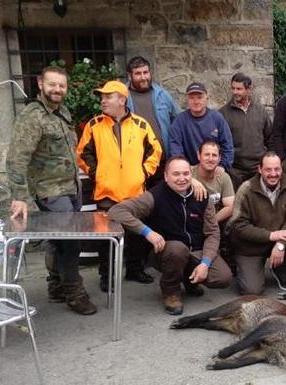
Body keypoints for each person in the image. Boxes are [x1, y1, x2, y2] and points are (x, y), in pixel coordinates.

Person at [6, 66, 97, 315]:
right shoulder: (32, 117)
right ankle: (74, 293)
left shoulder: (62, 113)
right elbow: (16, 159)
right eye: (52, 84)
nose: (57, 89)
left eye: (61, 86)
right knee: (71, 242)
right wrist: (19, 197)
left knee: (58, 241)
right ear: (40, 84)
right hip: (50, 191)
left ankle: (55, 285)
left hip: (70, 188)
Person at [108, 156, 233, 315]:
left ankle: (189, 281)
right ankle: (171, 291)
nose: (182, 178)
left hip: (195, 251)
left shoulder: (202, 196)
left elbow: (213, 233)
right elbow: (116, 211)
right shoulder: (155, 196)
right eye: (176, 174)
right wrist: (148, 232)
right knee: (177, 249)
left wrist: (205, 263)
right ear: (166, 176)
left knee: (223, 277)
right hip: (166, 252)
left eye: (186, 173)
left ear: (191, 175)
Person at [76, 80, 162, 291]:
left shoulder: (141, 125)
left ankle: (135, 270)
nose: (103, 100)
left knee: (135, 235)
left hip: (134, 192)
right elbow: (82, 154)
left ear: (122, 100)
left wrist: (143, 173)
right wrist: (98, 174)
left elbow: (155, 151)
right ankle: (107, 275)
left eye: (108, 96)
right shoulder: (94, 125)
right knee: (107, 237)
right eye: (102, 97)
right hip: (107, 192)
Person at [229, 152, 286, 294]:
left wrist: (280, 245)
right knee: (251, 290)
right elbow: (239, 226)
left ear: (282, 168)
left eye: (277, 169)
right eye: (268, 169)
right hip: (249, 248)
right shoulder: (246, 189)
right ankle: (243, 268)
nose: (273, 174)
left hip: (278, 241)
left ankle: (281, 273)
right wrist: (271, 235)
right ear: (259, 169)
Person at [125, 56, 181, 186]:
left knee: (163, 202)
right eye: (138, 73)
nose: (143, 77)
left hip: (161, 161)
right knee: (140, 204)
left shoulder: (163, 95)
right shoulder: (122, 96)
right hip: (135, 163)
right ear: (129, 76)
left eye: (146, 72)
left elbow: (177, 123)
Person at [219, 72, 274, 189]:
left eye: (239, 89)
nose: (235, 92)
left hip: (258, 169)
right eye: (233, 88)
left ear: (249, 89)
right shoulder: (223, 114)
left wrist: (268, 163)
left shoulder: (260, 111)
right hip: (235, 171)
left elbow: (270, 138)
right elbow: (220, 143)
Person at [168, 82, 234, 170]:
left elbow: (227, 145)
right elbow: (175, 148)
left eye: (200, 97)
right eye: (192, 98)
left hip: (215, 169)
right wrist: (184, 168)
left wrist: (222, 166)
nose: (196, 101)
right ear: (187, 100)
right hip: (190, 170)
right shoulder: (179, 121)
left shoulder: (217, 118)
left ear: (207, 98)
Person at [192, 140, 235, 270]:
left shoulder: (223, 176)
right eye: (207, 155)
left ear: (219, 158)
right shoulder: (188, 173)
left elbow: (230, 206)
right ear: (198, 156)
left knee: (234, 221)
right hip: (192, 219)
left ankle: (228, 256)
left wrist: (211, 221)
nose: (210, 159)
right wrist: (192, 181)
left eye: (214, 155)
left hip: (214, 220)